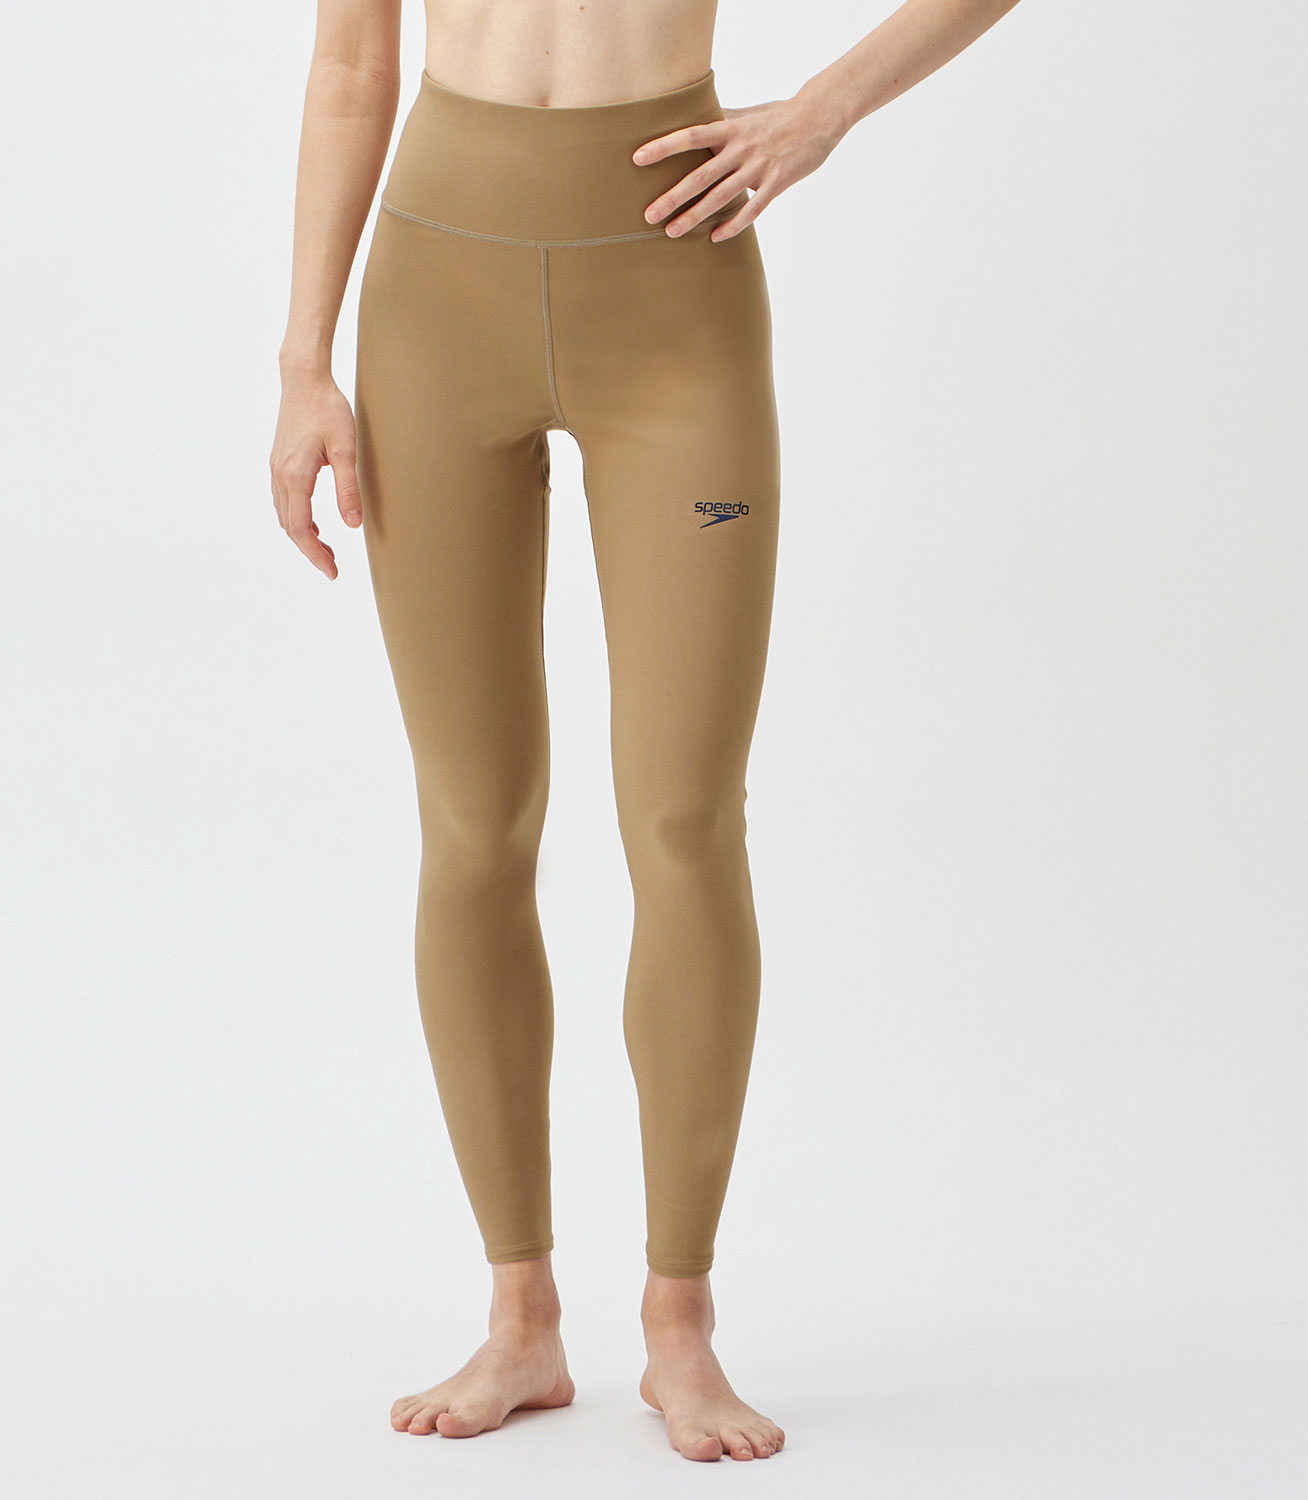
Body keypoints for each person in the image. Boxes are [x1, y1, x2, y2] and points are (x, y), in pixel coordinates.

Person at [269, 0, 1022, 1464]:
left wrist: (827, 106)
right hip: (435, 301)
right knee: (473, 827)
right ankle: (522, 1318)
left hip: (673, 292)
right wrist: (304, 361)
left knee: (682, 822)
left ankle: (681, 1323)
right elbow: (353, 62)